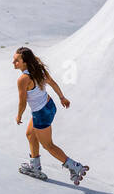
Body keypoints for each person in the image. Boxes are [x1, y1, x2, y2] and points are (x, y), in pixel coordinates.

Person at [13, 47, 88, 185]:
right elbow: (52, 83)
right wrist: (62, 98)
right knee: (30, 134)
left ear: (25, 62)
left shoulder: (23, 79)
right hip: (49, 106)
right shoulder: (39, 69)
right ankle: (35, 166)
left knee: (48, 145)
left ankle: (74, 166)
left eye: (17, 60)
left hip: (40, 114)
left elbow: (22, 102)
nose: (13, 62)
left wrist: (18, 116)